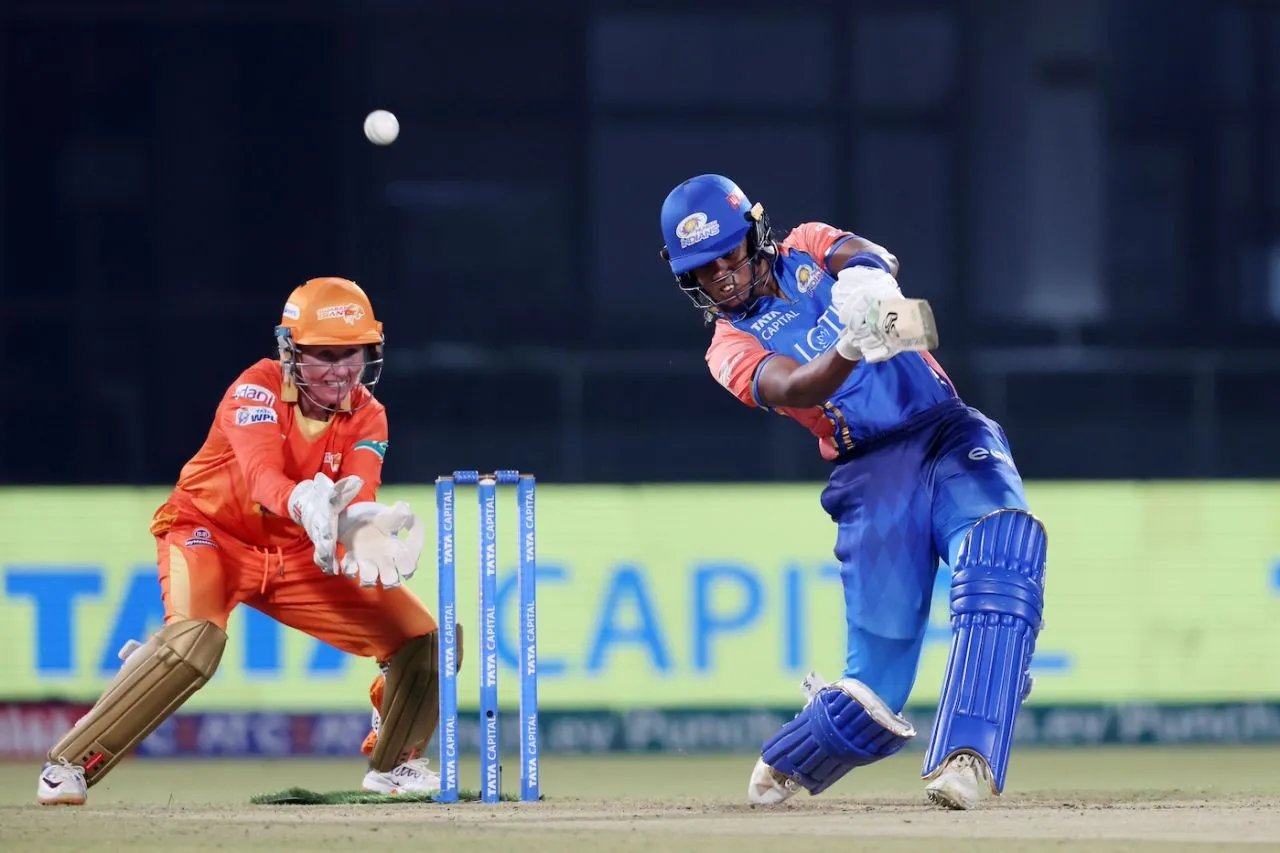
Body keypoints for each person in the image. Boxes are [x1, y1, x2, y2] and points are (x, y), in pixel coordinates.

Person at [658, 175, 1047, 810]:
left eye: (729, 255)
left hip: (947, 431)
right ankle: (793, 753)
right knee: (872, 700)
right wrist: (848, 345)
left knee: (1003, 549)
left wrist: (869, 286)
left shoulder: (808, 245)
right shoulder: (727, 347)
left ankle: (965, 756)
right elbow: (796, 389)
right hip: (870, 475)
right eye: (704, 270)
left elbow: (870, 258)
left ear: (755, 234)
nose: (722, 276)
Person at [37, 277, 447, 805]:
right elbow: (261, 478)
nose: (341, 370)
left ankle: (396, 765)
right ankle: (66, 764)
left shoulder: (369, 414)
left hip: (298, 553)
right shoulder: (254, 389)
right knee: (194, 645)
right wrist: (304, 503)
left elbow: (358, 492)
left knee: (424, 640)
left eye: (353, 353)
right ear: (291, 351)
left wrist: (361, 528)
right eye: (324, 355)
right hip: (210, 535)